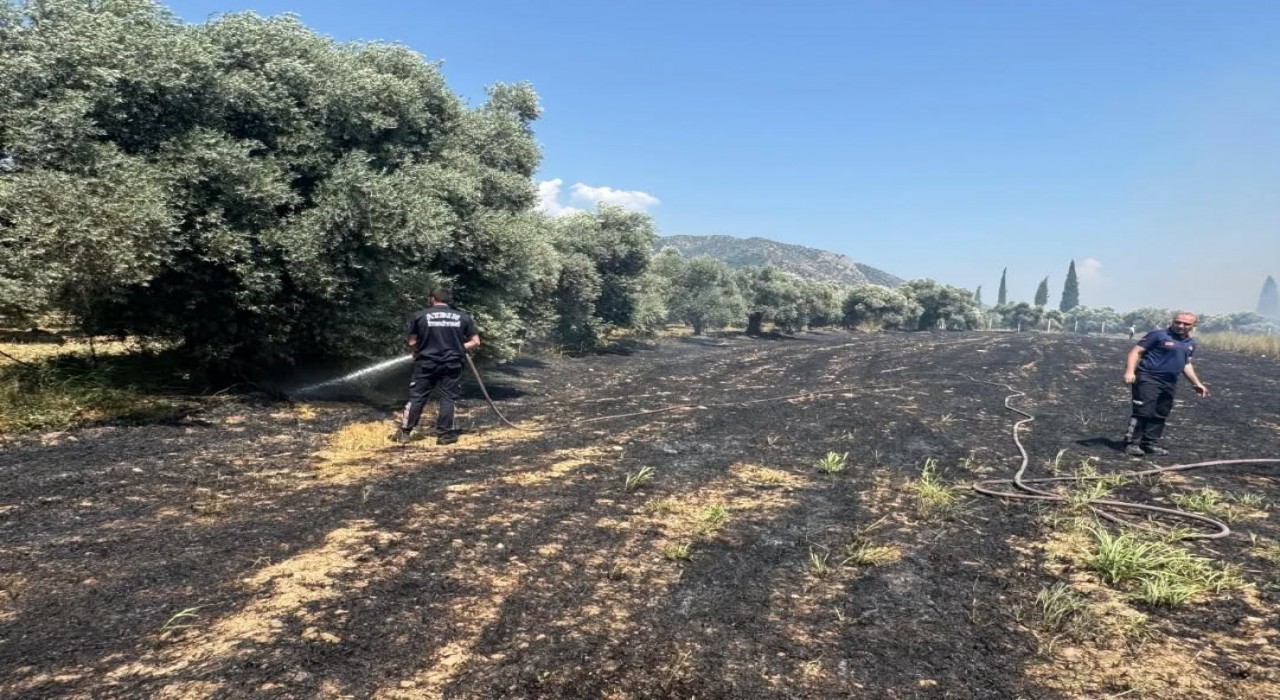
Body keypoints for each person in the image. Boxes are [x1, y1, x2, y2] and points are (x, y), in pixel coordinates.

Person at [395, 288, 480, 445]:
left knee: (417, 397)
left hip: (426, 363)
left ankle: (405, 433)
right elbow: (475, 341)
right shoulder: (463, 317)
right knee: (448, 398)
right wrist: (458, 348)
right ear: (448, 300)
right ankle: (444, 435)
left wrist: (417, 352)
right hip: (452, 364)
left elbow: (412, 342)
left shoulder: (420, 316)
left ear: (432, 299)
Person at [1122, 311, 1209, 457]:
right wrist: (1130, 372)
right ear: (1172, 321)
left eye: (1186, 324)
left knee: (1161, 413)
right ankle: (1132, 443)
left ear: (1194, 325)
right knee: (1143, 411)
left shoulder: (1190, 343)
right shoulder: (1157, 335)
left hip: (1169, 381)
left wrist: (1196, 383)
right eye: (1177, 322)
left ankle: (1149, 443)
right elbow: (1135, 352)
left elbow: (1186, 364)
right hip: (1148, 378)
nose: (1180, 326)